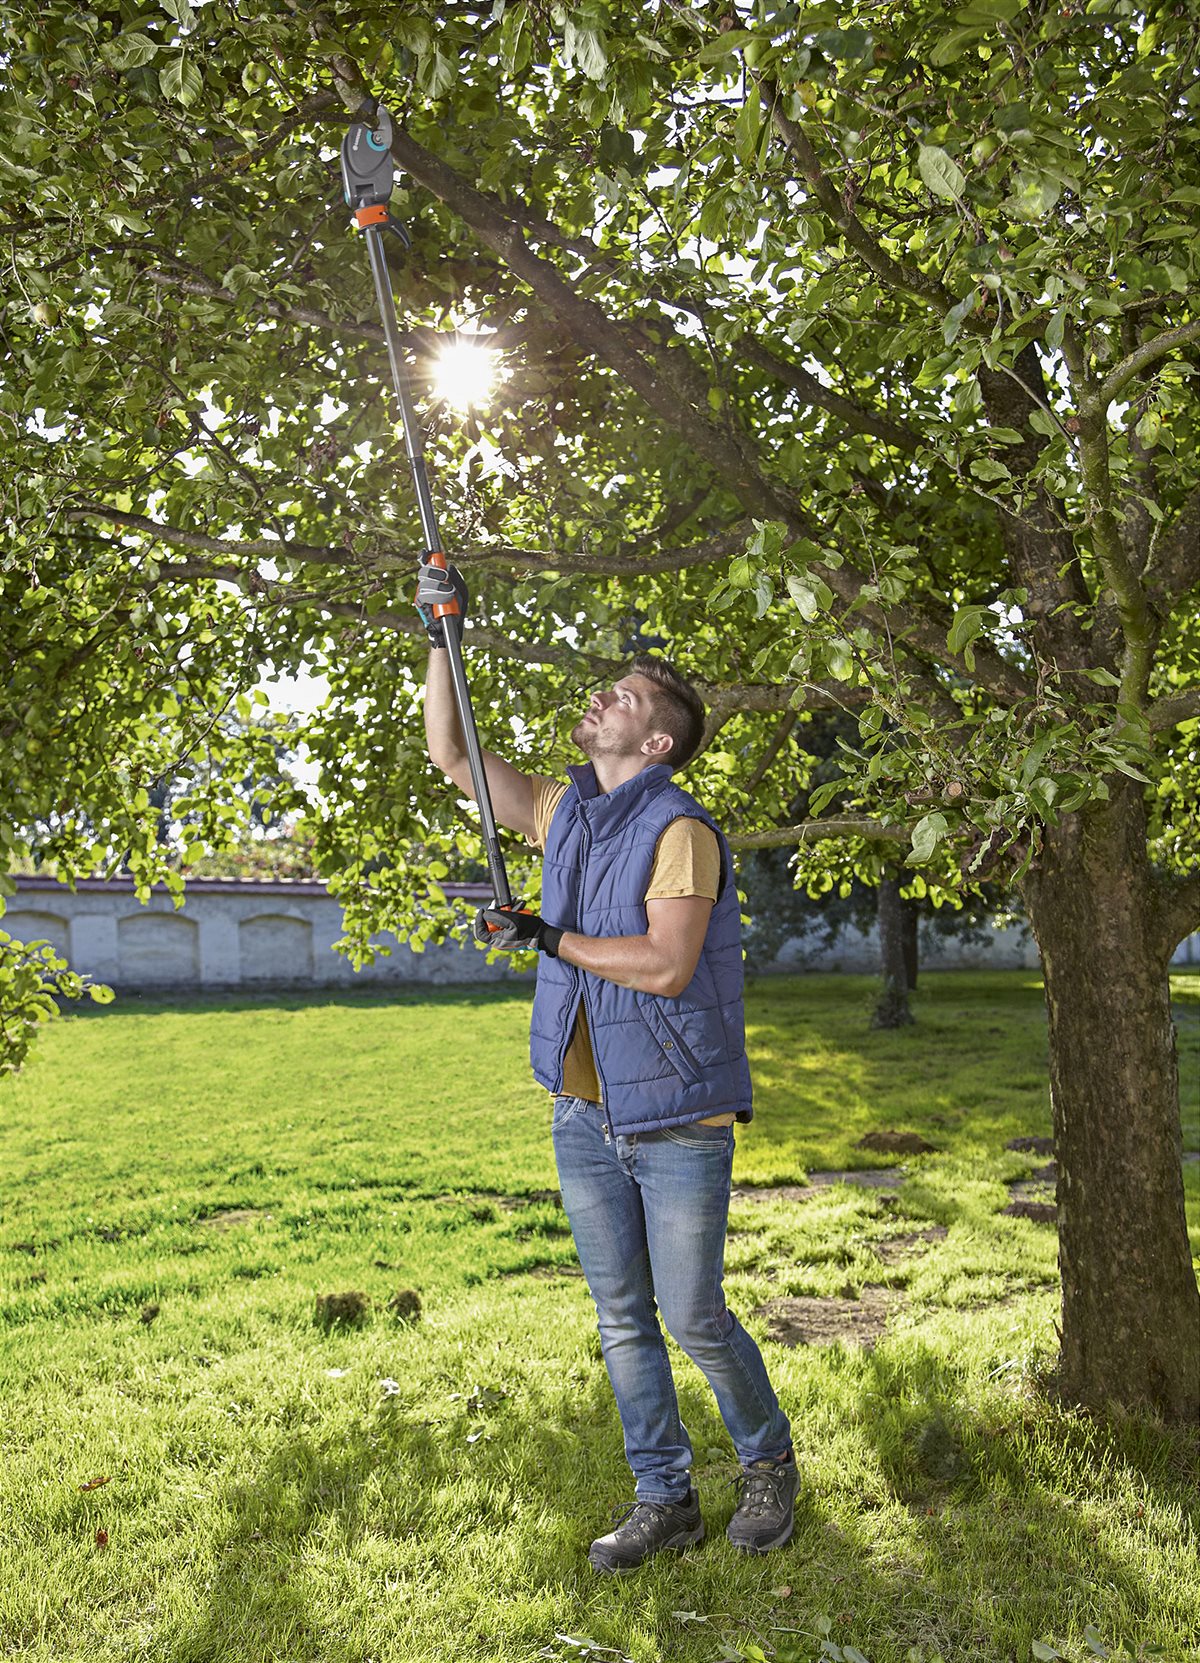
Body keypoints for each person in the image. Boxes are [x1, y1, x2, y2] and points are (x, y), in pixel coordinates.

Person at [417, 560, 795, 1574]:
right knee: (624, 1321)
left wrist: (546, 934)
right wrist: (438, 631)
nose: (601, 698)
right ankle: (663, 1498)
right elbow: (451, 755)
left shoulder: (681, 830)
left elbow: (666, 965)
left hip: (675, 1122)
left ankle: (767, 1465)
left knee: (695, 1317)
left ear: (657, 739)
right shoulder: (563, 812)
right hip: (584, 1117)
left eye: (621, 696)